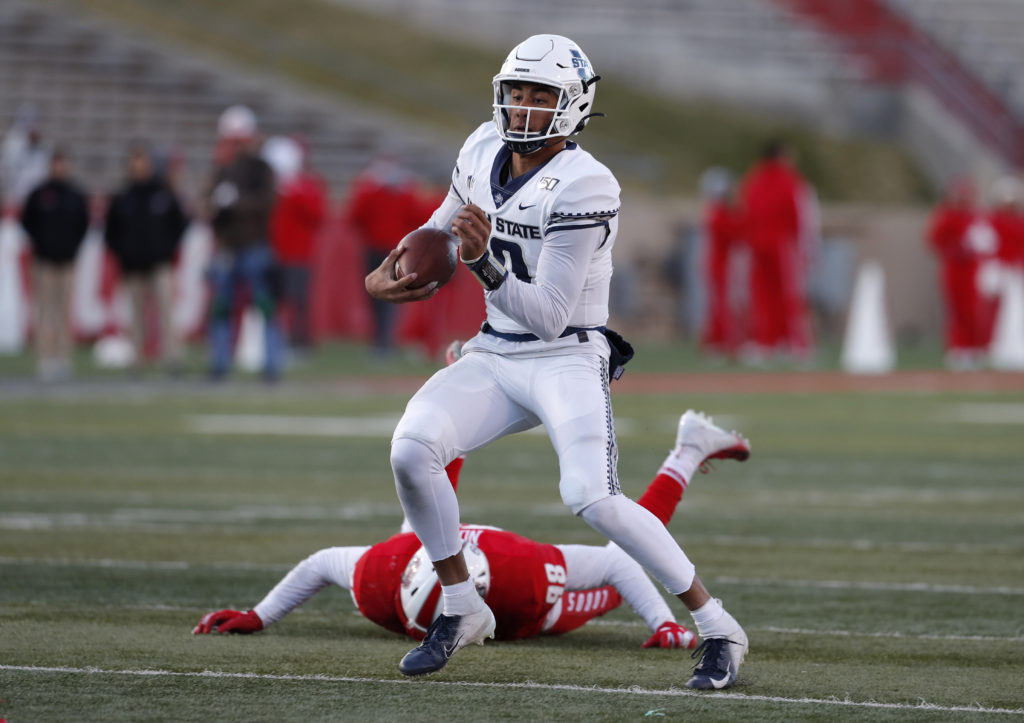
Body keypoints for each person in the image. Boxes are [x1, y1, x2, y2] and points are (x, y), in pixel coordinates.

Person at [364, 34, 749, 689]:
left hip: (566, 354)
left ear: (572, 105)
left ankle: (719, 627)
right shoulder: (482, 147)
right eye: (515, 93)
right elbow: (440, 230)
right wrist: (390, 275)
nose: (522, 108)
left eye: (540, 96)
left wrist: (483, 260)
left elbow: (548, 312)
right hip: (496, 350)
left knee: (591, 497)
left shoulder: (586, 183)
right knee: (411, 447)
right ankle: (461, 604)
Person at [194, 409, 750, 653]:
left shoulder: (514, 581)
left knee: (619, 553)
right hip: (444, 554)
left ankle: (687, 451)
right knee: (426, 494)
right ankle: (689, 448)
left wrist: (663, 622)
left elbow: (621, 563)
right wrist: (258, 615)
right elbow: (319, 564)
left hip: (514, 576)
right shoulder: (380, 577)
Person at [204, 105, 283, 381]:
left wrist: (236, 204)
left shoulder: (261, 169)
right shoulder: (222, 169)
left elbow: (268, 202)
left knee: (264, 305)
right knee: (221, 306)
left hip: (254, 245)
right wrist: (216, 206)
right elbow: (205, 202)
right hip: (228, 246)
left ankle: (272, 364)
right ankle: (219, 363)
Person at [104, 142, 190, 373]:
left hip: (159, 263)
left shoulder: (162, 193)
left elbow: (179, 224)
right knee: (135, 314)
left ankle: (172, 357)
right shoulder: (123, 197)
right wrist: (124, 253)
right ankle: (137, 359)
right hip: (132, 266)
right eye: (135, 162)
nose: (139, 167)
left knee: (166, 311)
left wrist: (165, 249)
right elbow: (111, 232)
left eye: (143, 162)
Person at [738, 138, 816, 363]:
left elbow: (746, 213)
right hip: (781, 244)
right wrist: (805, 248)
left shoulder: (753, 180)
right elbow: (798, 216)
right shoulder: (790, 180)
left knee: (762, 296)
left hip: (757, 245)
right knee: (789, 295)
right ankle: (796, 344)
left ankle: (765, 343)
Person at [347, 153, 430, 358]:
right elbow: (356, 216)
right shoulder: (372, 190)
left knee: (391, 295)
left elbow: (417, 216)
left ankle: (385, 341)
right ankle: (379, 340)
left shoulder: (402, 191)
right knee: (375, 295)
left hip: (394, 250)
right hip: (376, 248)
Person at [19, 149, 90, 381]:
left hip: (67, 261)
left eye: (63, 164)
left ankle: (63, 357)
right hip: (45, 261)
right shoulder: (39, 194)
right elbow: (27, 222)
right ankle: (44, 357)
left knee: (64, 310)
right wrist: (42, 245)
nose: (60, 168)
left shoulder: (74, 194)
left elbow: (83, 224)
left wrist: (71, 248)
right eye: (56, 164)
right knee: (44, 310)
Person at [263, 135, 327, 356]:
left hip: (299, 254)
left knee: (298, 301)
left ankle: (300, 343)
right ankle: (277, 342)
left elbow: (318, 215)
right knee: (275, 301)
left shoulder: (306, 186)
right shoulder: (270, 188)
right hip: (275, 252)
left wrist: (293, 193)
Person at [926, 178, 989, 370]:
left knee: (975, 310)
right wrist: (957, 249)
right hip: (955, 268)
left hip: (974, 268)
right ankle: (958, 349)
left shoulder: (975, 217)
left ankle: (974, 348)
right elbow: (935, 241)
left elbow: (987, 241)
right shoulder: (947, 216)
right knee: (957, 309)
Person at [698, 167, 744, 357]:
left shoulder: (718, 211)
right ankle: (723, 343)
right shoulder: (718, 213)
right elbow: (734, 233)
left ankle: (717, 341)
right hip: (719, 266)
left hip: (721, 265)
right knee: (721, 306)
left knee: (720, 305)